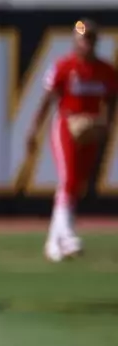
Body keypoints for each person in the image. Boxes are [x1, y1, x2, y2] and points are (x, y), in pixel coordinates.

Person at [26, 20, 118, 262]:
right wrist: (34, 129)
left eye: (90, 39)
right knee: (67, 179)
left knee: (75, 185)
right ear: (75, 41)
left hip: (90, 129)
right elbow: (47, 100)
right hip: (65, 126)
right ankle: (67, 236)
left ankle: (53, 243)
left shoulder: (105, 70)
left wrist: (106, 123)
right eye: (82, 38)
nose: (86, 43)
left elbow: (110, 98)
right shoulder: (65, 67)